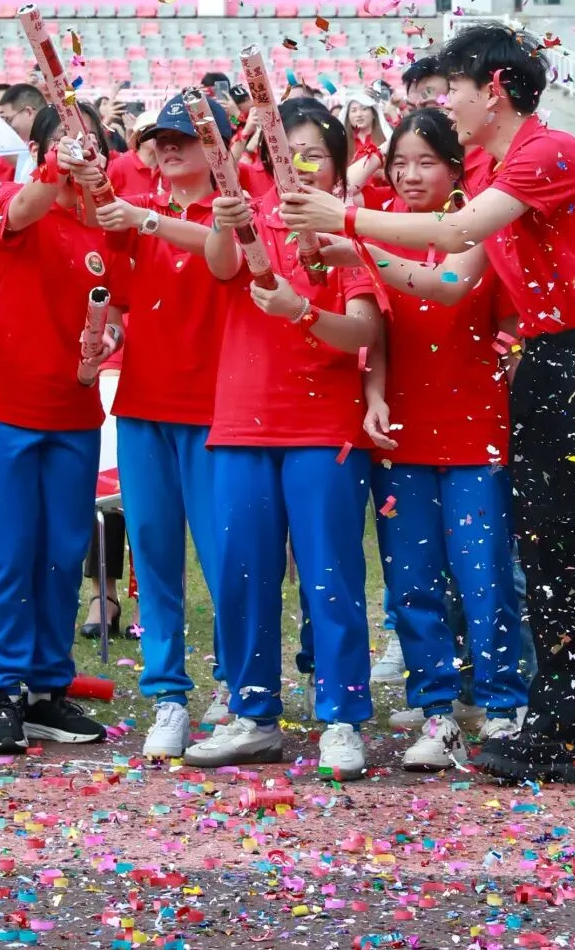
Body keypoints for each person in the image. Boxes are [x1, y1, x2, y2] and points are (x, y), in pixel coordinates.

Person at [280, 22, 575, 792]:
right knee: (554, 559)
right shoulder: (495, 163)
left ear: (493, 88)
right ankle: (556, 736)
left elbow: (457, 229)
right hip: (547, 369)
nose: (440, 104)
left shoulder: (549, 153)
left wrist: (347, 220)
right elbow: (449, 279)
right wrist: (355, 250)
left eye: (451, 89)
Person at [184, 100, 384, 780]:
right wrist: (224, 220)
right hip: (242, 419)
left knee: (330, 575)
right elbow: (218, 267)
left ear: (335, 163)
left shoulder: (340, 233)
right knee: (243, 572)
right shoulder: (252, 214)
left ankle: (341, 716)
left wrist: (304, 311)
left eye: (313, 153)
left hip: (323, 426)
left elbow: (363, 329)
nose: (298, 164)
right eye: (286, 151)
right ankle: (252, 713)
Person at [340, 107, 527, 770]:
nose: (411, 175)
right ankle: (437, 712)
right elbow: (377, 328)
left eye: (427, 161)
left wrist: (510, 347)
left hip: (476, 431)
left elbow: (467, 295)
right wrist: (375, 393)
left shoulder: (475, 222)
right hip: (402, 434)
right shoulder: (373, 224)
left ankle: (505, 706)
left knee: (484, 578)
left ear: (454, 167)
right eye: (400, 163)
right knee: (412, 583)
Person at [0, 105, 128, 755]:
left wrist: (109, 335)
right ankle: (2, 690)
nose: (83, 157)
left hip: (72, 415)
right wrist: (60, 163)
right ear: (39, 150)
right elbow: (25, 206)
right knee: (4, 553)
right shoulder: (12, 204)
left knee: (61, 555)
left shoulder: (105, 231)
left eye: (94, 146)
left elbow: (117, 312)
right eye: (64, 146)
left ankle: (47, 690)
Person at [88, 93, 236, 758]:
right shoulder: (132, 216)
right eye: (160, 138)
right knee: (152, 557)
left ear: (217, 146)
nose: (168, 147)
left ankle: (234, 687)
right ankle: (167, 695)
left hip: (215, 411)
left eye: (184, 136)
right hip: (144, 407)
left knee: (226, 558)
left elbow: (220, 254)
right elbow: (117, 300)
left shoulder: (231, 212)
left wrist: (145, 219)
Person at [0, 83, 46, 181]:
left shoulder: (52, 148)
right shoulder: (26, 149)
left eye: (9, 119)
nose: (8, 126)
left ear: (29, 112)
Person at [108, 116, 161, 199]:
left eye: (162, 132)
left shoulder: (170, 167)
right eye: (151, 130)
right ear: (139, 136)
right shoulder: (119, 165)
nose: (158, 135)